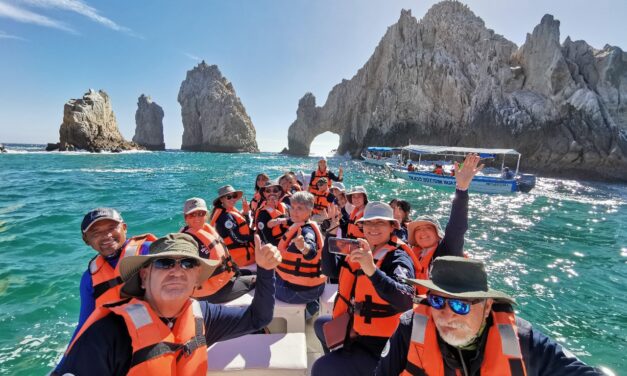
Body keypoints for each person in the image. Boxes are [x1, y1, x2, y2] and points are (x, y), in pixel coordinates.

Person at [55, 232, 282, 376]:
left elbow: (258, 318)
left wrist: (266, 270)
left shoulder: (202, 315)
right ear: (144, 276)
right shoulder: (107, 335)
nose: (177, 271)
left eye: (187, 263)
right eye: (165, 263)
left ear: (196, 280)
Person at [375, 256, 604, 375]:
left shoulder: (524, 342)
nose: (445, 315)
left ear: (487, 307)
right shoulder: (409, 328)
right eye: (436, 300)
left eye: (460, 305)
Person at [312, 202, 418, 376]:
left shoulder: (398, 257)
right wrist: (330, 235)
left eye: (380, 222)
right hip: (359, 331)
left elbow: (405, 298)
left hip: (382, 346)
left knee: (320, 367)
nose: (373, 227)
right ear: (362, 226)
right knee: (320, 324)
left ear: (392, 227)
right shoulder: (361, 249)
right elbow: (330, 270)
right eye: (369, 223)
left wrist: (372, 271)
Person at [54, 208, 156, 374]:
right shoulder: (89, 278)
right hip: (120, 346)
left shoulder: (149, 251)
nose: (106, 236)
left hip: (159, 335)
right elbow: (85, 324)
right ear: (86, 240)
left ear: (124, 227)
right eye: (96, 232)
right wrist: (61, 367)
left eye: (111, 228)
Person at [406, 153, 482, 293]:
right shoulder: (413, 254)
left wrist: (462, 189)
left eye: (428, 227)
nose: (422, 232)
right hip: (418, 309)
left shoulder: (447, 250)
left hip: (441, 310)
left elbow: (456, 227)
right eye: (418, 230)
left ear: (438, 234)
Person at [180, 197, 255, 303]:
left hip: (225, 277)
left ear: (206, 216)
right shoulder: (185, 242)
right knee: (259, 279)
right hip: (212, 292)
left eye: (201, 213)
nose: (197, 217)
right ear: (185, 218)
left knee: (252, 272)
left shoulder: (205, 230)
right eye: (192, 214)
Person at [276, 191, 326, 319]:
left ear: (310, 211)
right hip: (315, 288)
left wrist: (303, 247)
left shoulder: (306, 231)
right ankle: (311, 305)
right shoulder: (304, 225)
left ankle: (306, 312)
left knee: (262, 281)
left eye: (300, 208)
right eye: (292, 207)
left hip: (298, 292)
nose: (294, 211)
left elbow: (311, 252)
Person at [210, 185, 255, 266]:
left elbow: (244, 228)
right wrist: (255, 236)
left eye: (234, 196)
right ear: (221, 199)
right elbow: (238, 239)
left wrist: (246, 214)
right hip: (241, 259)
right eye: (229, 197)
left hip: (244, 252)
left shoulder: (229, 211)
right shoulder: (225, 217)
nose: (233, 199)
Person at [255, 180, 290, 246]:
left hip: (286, 241)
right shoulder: (263, 214)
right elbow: (265, 238)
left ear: (279, 193)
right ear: (264, 194)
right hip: (272, 248)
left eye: (275, 190)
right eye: (268, 191)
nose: (272, 193)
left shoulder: (284, 207)